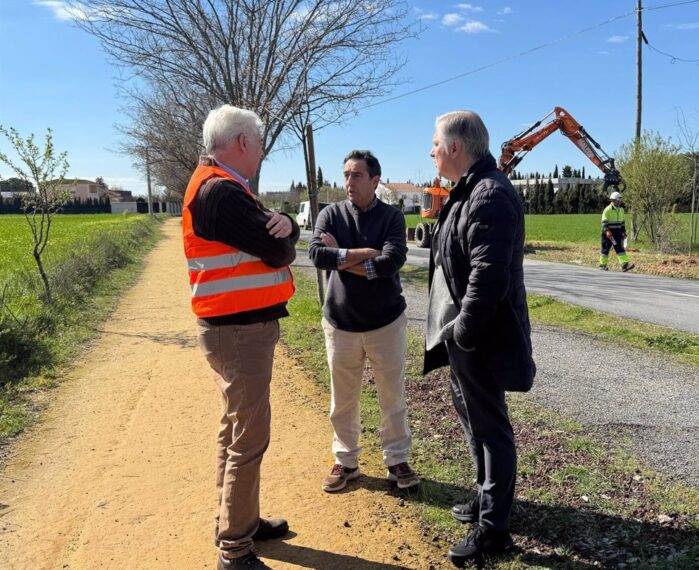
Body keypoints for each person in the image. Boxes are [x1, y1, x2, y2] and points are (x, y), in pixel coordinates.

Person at [183, 104, 300, 570]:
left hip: (230, 328)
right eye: (260, 140)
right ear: (243, 143)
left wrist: (287, 225)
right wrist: (286, 234)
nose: (262, 149)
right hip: (239, 331)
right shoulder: (222, 193)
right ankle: (234, 549)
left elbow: (279, 233)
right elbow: (276, 250)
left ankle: (236, 523)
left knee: (235, 429)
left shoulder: (222, 187)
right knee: (248, 438)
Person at [423, 111, 535, 567]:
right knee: (475, 422)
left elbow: (488, 276)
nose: (430, 151)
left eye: (434, 143)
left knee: (491, 429)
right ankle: (486, 502)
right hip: (464, 335)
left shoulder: (488, 194)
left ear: (455, 147)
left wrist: (463, 334)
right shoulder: (471, 188)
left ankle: (493, 531)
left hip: (480, 338)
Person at [308, 150, 419, 493]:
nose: (348, 182)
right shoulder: (330, 214)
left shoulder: (392, 217)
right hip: (341, 324)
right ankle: (346, 461)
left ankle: (396, 459)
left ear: (375, 180)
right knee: (342, 399)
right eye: (345, 175)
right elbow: (316, 255)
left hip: (385, 323)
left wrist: (340, 255)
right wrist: (364, 254)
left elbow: (392, 261)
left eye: (356, 175)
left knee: (392, 395)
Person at [599, 191, 634, 272]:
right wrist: (607, 231)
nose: (620, 201)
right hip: (608, 234)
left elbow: (622, 223)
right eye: (618, 200)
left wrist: (624, 232)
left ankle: (625, 265)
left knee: (620, 249)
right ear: (613, 200)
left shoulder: (621, 210)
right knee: (605, 249)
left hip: (617, 234)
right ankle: (602, 265)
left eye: (620, 200)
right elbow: (604, 222)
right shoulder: (607, 210)